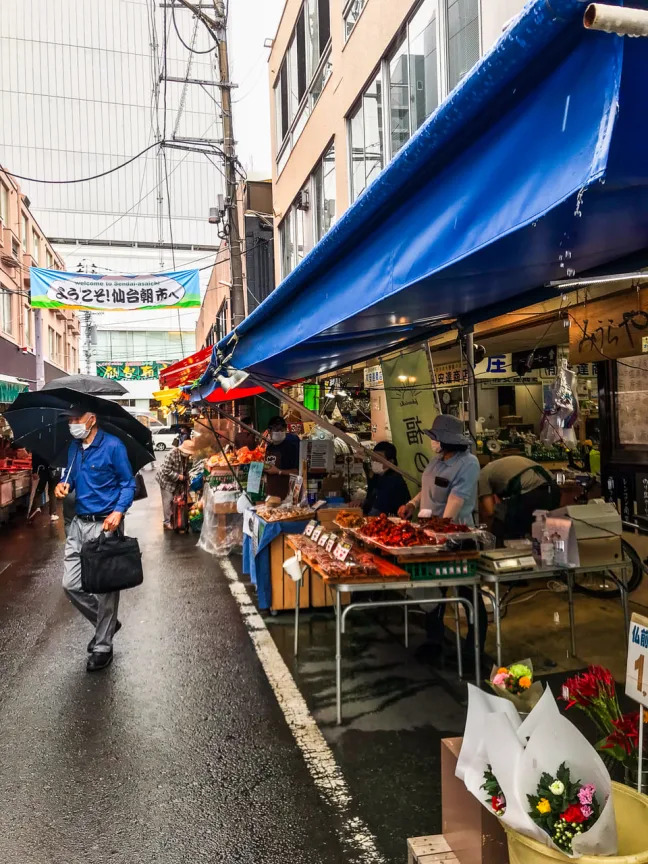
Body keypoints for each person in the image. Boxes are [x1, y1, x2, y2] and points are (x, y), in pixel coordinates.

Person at [398, 414, 485, 665]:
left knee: (468, 593)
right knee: (433, 589)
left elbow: (456, 502)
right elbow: (426, 490)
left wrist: (440, 530)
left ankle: (474, 649)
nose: (432, 442)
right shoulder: (436, 462)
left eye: (435, 438)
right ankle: (433, 640)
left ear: (446, 440)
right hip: (431, 535)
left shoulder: (468, 464)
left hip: (457, 538)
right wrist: (411, 505)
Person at [54, 405, 135, 672]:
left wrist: (118, 511)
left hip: (105, 525)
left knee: (106, 590)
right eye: (71, 420)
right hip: (78, 524)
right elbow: (71, 479)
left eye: (77, 419)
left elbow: (128, 483)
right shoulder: (74, 448)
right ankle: (108, 623)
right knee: (71, 584)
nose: (73, 423)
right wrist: (64, 486)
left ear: (92, 419)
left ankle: (103, 646)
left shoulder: (113, 446)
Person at [478, 455, 561, 544]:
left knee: (506, 530)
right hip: (553, 488)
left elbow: (489, 512)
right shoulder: (497, 467)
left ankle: (504, 554)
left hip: (531, 492)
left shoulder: (481, 476)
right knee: (544, 532)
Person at [363, 441, 411, 517]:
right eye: (373, 456)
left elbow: (377, 510)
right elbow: (371, 499)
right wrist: (361, 503)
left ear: (391, 461)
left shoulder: (393, 479)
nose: (374, 460)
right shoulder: (378, 475)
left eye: (379, 457)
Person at [156, 439, 195, 529]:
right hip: (165, 481)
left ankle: (174, 519)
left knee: (176, 500)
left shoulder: (185, 457)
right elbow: (166, 470)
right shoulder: (171, 454)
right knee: (168, 501)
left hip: (175, 481)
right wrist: (179, 476)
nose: (189, 454)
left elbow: (184, 469)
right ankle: (166, 522)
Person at [264, 415, 300, 500]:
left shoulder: (291, 447)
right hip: (271, 495)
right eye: (276, 430)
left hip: (287, 497)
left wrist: (278, 471)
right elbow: (268, 467)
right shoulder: (269, 448)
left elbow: (297, 472)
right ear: (269, 431)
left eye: (282, 429)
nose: (279, 432)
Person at [28, 453, 59, 522]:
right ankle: (53, 514)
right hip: (54, 470)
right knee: (52, 492)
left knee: (39, 490)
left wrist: (35, 471)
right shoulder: (56, 443)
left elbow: (35, 456)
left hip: (42, 469)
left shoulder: (39, 443)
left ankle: (35, 508)